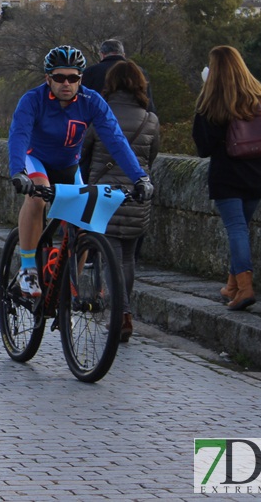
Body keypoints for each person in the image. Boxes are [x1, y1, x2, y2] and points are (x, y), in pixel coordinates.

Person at [8, 45, 153, 299]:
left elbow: (116, 141)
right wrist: (18, 171)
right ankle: (28, 268)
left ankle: (67, 283)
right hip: (36, 160)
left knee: (84, 222)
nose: (67, 83)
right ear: (48, 78)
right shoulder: (33, 100)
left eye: (73, 77)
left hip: (69, 167)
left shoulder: (91, 101)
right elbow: (19, 135)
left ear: (80, 79)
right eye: (60, 77)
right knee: (37, 196)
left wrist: (139, 177)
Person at [81, 60, 160, 341]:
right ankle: (124, 312)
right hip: (138, 197)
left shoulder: (100, 115)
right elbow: (151, 158)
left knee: (109, 258)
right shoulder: (150, 119)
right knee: (127, 258)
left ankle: (122, 314)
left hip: (104, 195)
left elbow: (83, 152)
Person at [192, 45, 261, 311]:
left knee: (236, 230)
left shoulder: (212, 104)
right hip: (258, 175)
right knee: (241, 230)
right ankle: (232, 285)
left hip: (227, 177)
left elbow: (203, 147)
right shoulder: (259, 99)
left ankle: (246, 288)